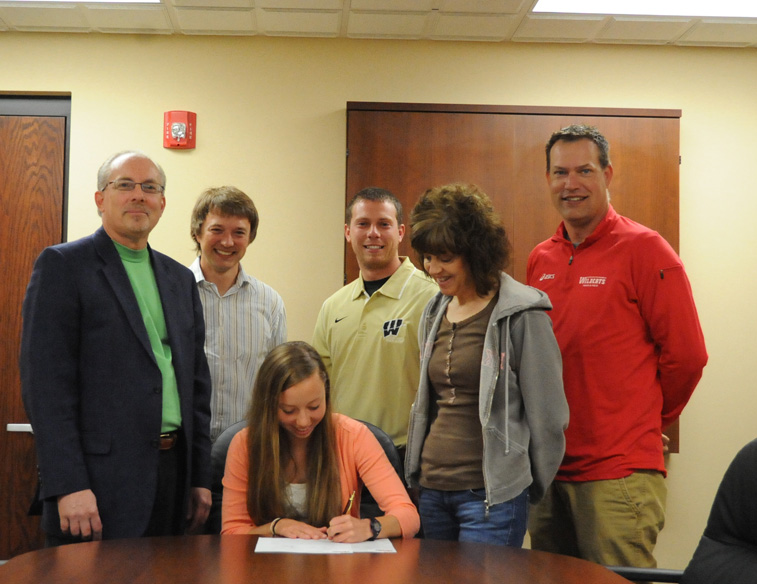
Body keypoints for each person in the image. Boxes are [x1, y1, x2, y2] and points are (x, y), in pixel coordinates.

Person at [526, 125, 708, 584]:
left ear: (608, 174)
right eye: (560, 172)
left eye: (584, 171)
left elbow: (687, 356)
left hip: (617, 473)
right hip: (548, 471)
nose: (572, 184)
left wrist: (649, 421)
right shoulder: (540, 259)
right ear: (547, 179)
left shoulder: (646, 250)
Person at [20, 150, 212, 545]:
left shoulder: (179, 279)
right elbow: (46, 387)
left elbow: (196, 388)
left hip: (173, 477)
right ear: (99, 199)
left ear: (162, 203)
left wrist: (198, 479)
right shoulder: (64, 266)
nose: (138, 195)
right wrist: (67, 484)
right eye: (124, 185)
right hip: (97, 484)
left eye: (150, 188)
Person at [402, 183, 568, 546]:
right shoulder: (434, 310)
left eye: (444, 257)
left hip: (491, 499)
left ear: (474, 252)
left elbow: (549, 417)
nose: (433, 269)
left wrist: (519, 485)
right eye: (428, 257)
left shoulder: (522, 313)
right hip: (432, 492)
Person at [221, 341, 420, 541]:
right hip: (266, 568)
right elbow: (231, 533)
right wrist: (275, 526)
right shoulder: (244, 444)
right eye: (288, 411)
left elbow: (408, 515)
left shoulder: (353, 436)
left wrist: (370, 527)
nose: (303, 422)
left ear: (326, 395)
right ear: (268, 406)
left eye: (314, 407)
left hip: (338, 567)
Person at [311, 187, 437, 455]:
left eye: (384, 224)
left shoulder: (431, 296)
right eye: (363, 224)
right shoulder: (332, 306)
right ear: (348, 232)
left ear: (401, 232)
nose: (373, 233)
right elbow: (318, 388)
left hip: (406, 457)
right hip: (342, 454)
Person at [189, 186, 287, 442]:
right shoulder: (171, 293)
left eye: (239, 233)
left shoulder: (270, 303)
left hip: (249, 446)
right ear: (198, 232)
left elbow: (278, 384)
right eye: (217, 230)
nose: (228, 242)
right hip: (184, 447)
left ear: (250, 238)